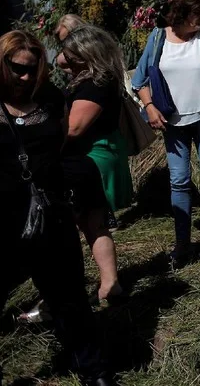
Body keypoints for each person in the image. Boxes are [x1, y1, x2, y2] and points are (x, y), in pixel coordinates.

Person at [0, 31, 115, 386]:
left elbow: (62, 144)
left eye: (32, 70)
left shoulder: (49, 98)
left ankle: (94, 373)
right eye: (18, 69)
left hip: (51, 216)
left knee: (70, 302)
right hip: (4, 220)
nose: (25, 77)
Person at [132, 0, 200, 268]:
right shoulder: (157, 39)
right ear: (180, 15)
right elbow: (140, 79)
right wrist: (149, 107)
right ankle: (182, 242)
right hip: (171, 121)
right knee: (179, 181)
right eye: (197, 15)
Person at [60, 25, 131, 302]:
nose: (65, 57)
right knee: (91, 224)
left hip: (92, 157)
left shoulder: (95, 84)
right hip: (96, 154)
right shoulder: (94, 78)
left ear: (84, 54)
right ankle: (109, 284)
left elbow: (75, 128)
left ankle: (107, 284)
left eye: (71, 52)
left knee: (90, 222)